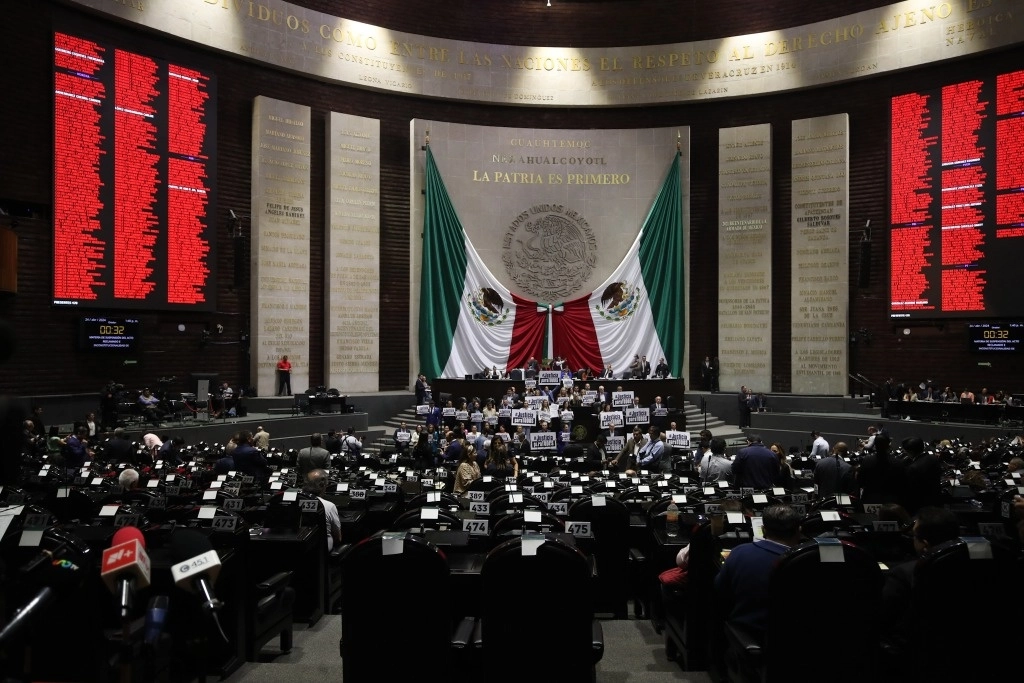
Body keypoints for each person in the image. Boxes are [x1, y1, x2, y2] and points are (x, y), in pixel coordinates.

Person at [715, 504, 803, 640]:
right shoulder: (809, 561)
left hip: (747, 636)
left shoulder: (739, 553)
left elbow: (720, 595)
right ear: (799, 531)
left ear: (762, 530)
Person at [881, 507, 960, 651]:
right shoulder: (974, 570)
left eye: (914, 536)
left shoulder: (904, 574)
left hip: (913, 652)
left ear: (925, 544)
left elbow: (882, 619)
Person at [900, 436, 943, 514]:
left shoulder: (913, 468)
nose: (904, 452)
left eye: (905, 450)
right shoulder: (933, 459)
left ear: (911, 451)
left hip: (920, 507)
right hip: (936, 502)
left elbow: (911, 491)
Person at [304, 469, 342, 552]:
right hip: (321, 553)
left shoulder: (296, 502)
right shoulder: (329, 506)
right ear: (323, 485)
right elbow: (338, 538)